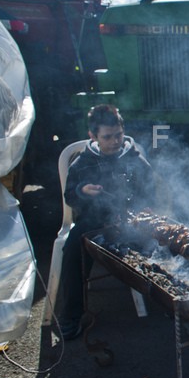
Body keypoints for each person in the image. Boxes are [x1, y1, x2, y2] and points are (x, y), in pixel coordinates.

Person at [54, 104, 154, 340]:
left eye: (118, 135)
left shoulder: (134, 158)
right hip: (94, 221)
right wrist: (83, 190)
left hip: (131, 219)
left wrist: (148, 207)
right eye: (107, 137)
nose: (114, 141)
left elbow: (150, 189)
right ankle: (72, 315)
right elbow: (69, 197)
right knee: (72, 251)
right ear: (93, 136)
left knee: (163, 241)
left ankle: (172, 304)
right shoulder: (82, 162)